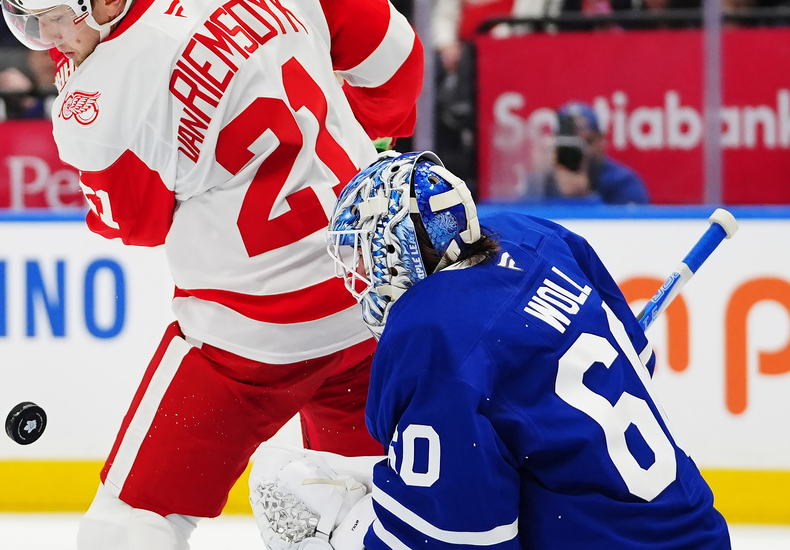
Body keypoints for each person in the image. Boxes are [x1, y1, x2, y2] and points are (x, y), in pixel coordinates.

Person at [0, 0, 423, 549]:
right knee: (372, 503)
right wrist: (360, 155)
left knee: (128, 523)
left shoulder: (96, 105)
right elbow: (393, 56)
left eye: (51, 17)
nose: (43, 37)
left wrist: (87, 80)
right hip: (375, 295)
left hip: (248, 342)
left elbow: (133, 225)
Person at [249, 150, 732, 550]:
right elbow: (636, 358)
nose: (362, 279)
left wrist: (348, 537)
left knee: (293, 488)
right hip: (696, 528)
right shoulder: (533, 235)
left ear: (398, 252)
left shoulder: (431, 328)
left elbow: (458, 538)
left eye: (366, 257)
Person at [525, 102, 649, 204]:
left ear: (601, 140)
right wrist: (539, 180)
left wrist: (584, 198)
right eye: (571, 144)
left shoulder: (623, 182)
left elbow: (631, 228)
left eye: (587, 142)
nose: (580, 152)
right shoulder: (543, 181)